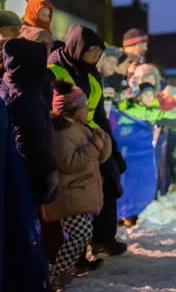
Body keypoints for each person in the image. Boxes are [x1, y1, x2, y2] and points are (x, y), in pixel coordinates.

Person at [48, 25, 127, 258]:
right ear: (77, 48)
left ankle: (103, 238)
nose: (95, 57)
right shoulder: (54, 70)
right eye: (91, 51)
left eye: (98, 53)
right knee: (78, 191)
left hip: (92, 134)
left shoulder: (92, 74)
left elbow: (100, 114)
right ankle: (77, 251)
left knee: (109, 181)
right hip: (67, 136)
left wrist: (113, 148)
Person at [43, 81, 112, 289]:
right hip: (69, 193)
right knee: (80, 234)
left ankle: (61, 271)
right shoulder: (61, 131)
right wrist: (94, 146)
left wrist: (103, 141)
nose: (88, 109)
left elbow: (99, 158)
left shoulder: (81, 127)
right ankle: (55, 273)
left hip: (79, 191)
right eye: (84, 106)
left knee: (82, 234)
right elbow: (69, 162)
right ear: (73, 110)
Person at [0, 38, 58, 207]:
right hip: (26, 172)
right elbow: (32, 140)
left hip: (16, 169)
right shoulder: (25, 97)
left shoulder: (8, 85)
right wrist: (48, 172)